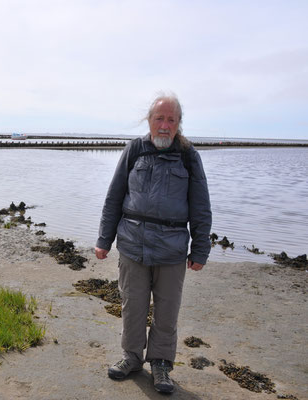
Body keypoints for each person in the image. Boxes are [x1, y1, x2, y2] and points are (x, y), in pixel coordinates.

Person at [95, 93, 211, 393]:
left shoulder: (188, 156)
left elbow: (200, 206)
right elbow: (114, 196)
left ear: (178, 124)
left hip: (172, 249)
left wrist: (200, 249)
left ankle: (160, 364)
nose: (164, 125)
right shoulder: (135, 150)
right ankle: (131, 358)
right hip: (132, 244)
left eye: (171, 119)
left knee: (167, 310)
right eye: (159, 118)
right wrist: (104, 240)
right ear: (149, 121)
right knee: (132, 305)